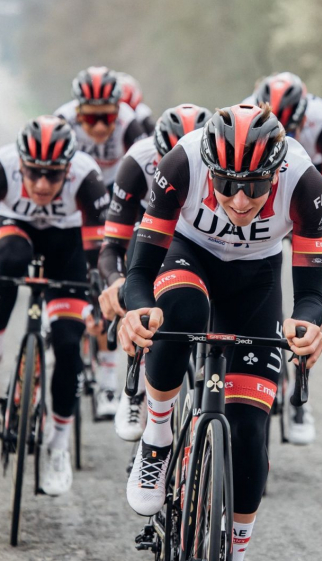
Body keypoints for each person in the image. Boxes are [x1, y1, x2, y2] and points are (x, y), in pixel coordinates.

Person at [119, 104, 322, 561]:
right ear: (209, 167)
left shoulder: (305, 181)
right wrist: (136, 312)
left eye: (254, 186)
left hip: (257, 279)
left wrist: (308, 327)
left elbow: (311, 294)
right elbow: (139, 271)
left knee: (250, 430)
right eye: (227, 184)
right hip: (189, 255)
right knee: (178, 309)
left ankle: (237, 548)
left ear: (276, 173)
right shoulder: (182, 162)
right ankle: (156, 438)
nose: (239, 200)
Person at [0, 116, 107, 495]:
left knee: (70, 346)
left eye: (53, 176)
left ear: (68, 169)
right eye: (33, 173)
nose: (41, 185)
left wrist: (101, 308)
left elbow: (98, 257)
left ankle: (58, 446)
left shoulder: (87, 179)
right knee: (10, 260)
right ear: (20, 163)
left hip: (68, 243)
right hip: (16, 231)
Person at [96, 103, 212, 441]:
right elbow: (113, 245)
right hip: (150, 237)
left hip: (197, 245)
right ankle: (135, 385)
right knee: (141, 283)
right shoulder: (136, 161)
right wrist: (117, 283)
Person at [246, 71, 322, 444]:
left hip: (307, 197)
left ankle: (299, 395)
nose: (282, 131)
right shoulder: (246, 117)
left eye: (289, 126)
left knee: (308, 298)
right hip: (261, 195)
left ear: (303, 118)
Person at [54, 66, 147, 416]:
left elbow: (150, 168)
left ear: (117, 106)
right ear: (77, 112)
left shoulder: (129, 121)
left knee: (108, 277)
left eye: (105, 117)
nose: (96, 127)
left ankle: (109, 380)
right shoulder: (61, 120)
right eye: (89, 119)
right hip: (74, 193)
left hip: (118, 189)